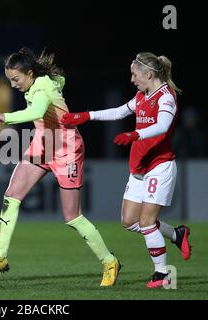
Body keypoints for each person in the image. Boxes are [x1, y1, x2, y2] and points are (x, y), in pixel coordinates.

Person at [0, 47, 121, 286]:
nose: (14, 85)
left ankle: (110, 261)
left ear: (29, 73)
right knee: (11, 195)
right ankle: (0, 257)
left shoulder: (42, 87)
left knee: (72, 217)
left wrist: (5, 117)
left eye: (16, 79)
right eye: (10, 80)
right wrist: (57, 86)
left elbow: (36, 110)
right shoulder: (43, 82)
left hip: (67, 150)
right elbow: (60, 80)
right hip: (43, 145)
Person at [61, 52, 191, 288]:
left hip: (159, 166)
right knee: (130, 221)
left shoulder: (166, 98)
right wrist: (86, 116)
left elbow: (163, 126)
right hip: (139, 167)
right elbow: (120, 111)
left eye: (134, 74)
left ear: (149, 74)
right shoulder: (143, 95)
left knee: (147, 222)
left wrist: (135, 134)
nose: (131, 79)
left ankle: (162, 274)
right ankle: (176, 234)